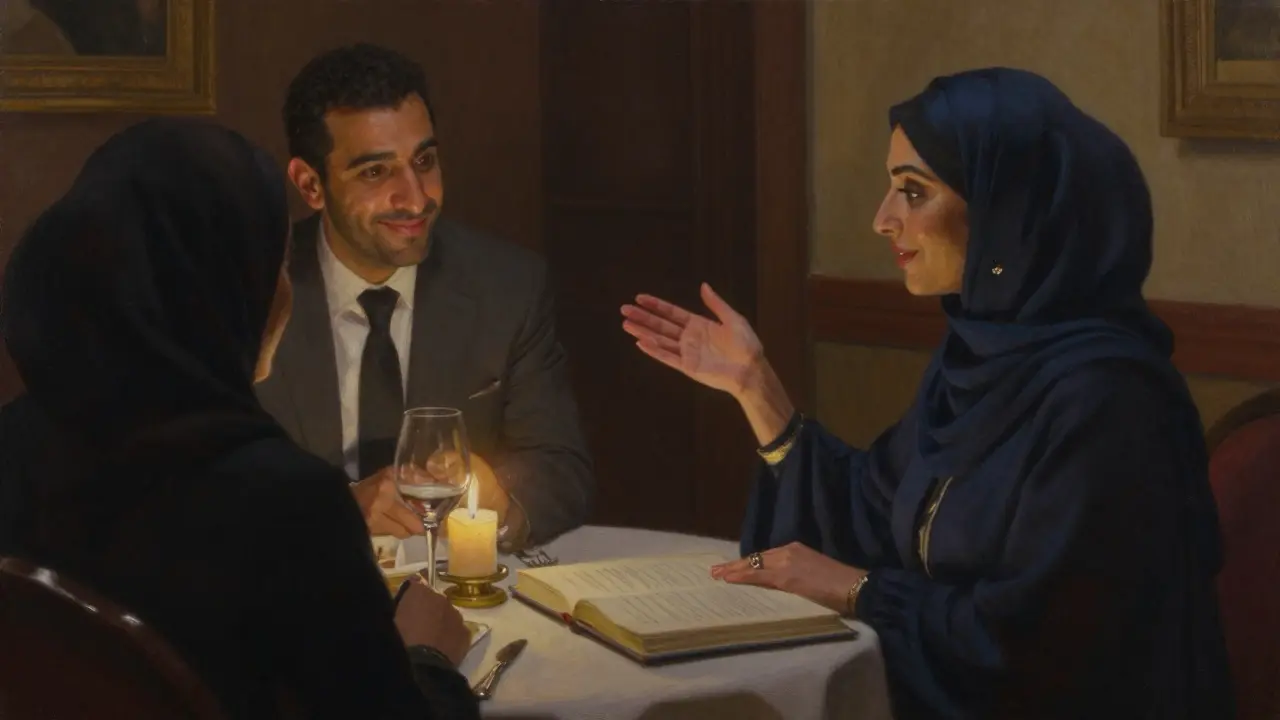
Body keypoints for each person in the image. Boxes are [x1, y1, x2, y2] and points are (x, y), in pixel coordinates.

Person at [622, 68, 1234, 719]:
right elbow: (875, 512)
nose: (883, 221)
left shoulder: (1109, 401)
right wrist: (756, 388)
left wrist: (859, 592)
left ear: (1006, 209)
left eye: (914, 193)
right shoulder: (978, 358)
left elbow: (1035, 647)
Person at [0, 118, 480, 719]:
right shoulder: (285, 501)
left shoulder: (13, 446)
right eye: (272, 262)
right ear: (213, 285)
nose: (284, 289)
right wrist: (429, 653)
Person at [256, 43, 593, 549]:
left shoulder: (508, 286)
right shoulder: (251, 290)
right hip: (296, 587)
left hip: (462, 590)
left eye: (425, 160)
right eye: (375, 172)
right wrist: (336, 510)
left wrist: (497, 495)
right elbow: (198, 485)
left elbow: (561, 470)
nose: (416, 197)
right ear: (311, 185)